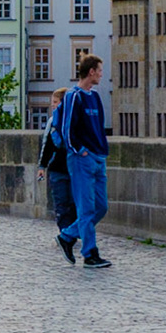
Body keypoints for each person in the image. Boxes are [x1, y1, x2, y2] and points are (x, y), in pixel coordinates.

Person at [56, 54, 111, 269]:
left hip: (98, 157)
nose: (101, 74)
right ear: (91, 72)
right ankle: (90, 253)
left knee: (101, 206)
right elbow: (67, 128)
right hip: (82, 159)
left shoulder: (95, 97)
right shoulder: (73, 96)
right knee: (87, 208)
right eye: (99, 70)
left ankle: (68, 235)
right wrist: (80, 151)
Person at [35, 88, 76, 247]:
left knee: (73, 204)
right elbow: (48, 145)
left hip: (73, 169)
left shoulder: (73, 120)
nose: (53, 106)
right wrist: (42, 166)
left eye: (55, 102)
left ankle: (69, 232)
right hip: (57, 169)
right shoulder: (54, 122)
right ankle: (65, 234)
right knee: (61, 204)